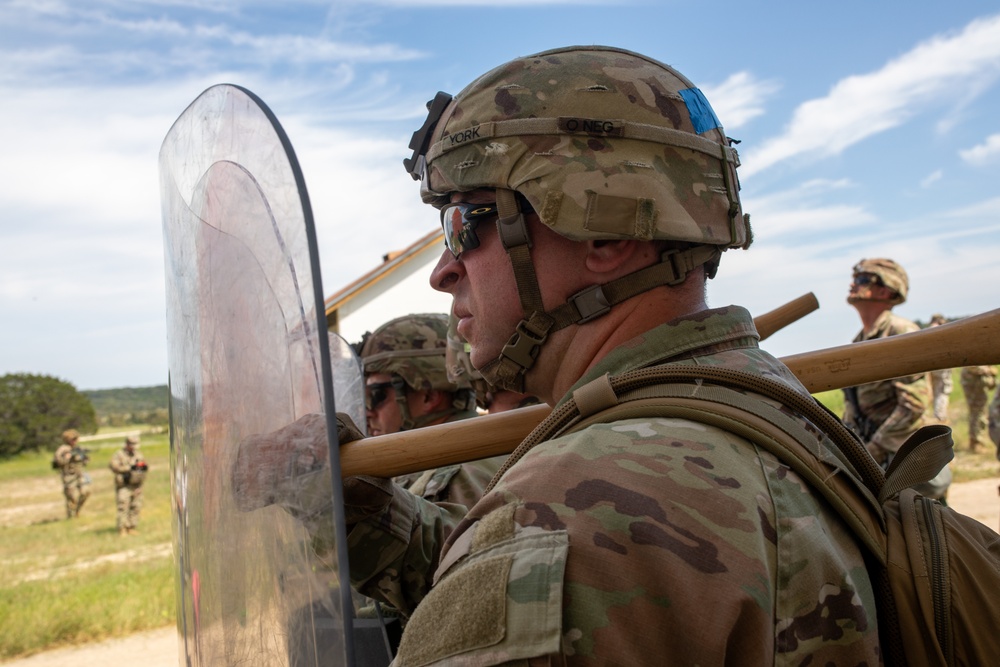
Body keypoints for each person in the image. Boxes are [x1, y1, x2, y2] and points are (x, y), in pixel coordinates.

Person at [328, 46, 882, 663]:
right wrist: (366, 512)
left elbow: (576, 556)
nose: (442, 272)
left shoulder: (577, 500)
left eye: (464, 224)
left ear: (605, 234)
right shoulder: (769, 409)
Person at [842, 259, 950, 501]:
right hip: (881, 460)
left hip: (905, 461)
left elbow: (913, 404)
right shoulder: (862, 339)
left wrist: (872, 451)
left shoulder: (901, 332)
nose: (852, 284)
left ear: (885, 290)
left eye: (861, 280)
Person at [109, 434, 148, 535]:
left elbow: (143, 469)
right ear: (127, 444)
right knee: (123, 506)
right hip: (124, 486)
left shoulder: (138, 455)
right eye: (132, 444)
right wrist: (129, 468)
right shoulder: (119, 454)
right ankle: (122, 528)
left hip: (136, 485)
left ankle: (131, 527)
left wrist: (140, 484)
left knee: (135, 506)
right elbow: (114, 467)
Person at [52, 429, 91, 519]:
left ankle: (77, 510)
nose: (75, 441)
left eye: (76, 439)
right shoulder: (62, 449)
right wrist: (67, 458)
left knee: (85, 492)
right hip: (69, 475)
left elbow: (85, 461)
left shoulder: (78, 448)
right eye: (73, 439)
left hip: (80, 474)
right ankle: (71, 516)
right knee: (71, 496)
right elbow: (57, 462)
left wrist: (84, 457)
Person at [959, 365, 998, 452]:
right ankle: (976, 442)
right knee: (977, 412)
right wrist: (988, 370)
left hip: (977, 381)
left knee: (980, 411)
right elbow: (971, 365)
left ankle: (977, 441)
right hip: (973, 381)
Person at [927, 313, 953, 422]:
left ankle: (935, 414)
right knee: (942, 390)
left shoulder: (926, 330)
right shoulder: (942, 329)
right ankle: (939, 417)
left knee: (933, 390)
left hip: (929, 365)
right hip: (942, 364)